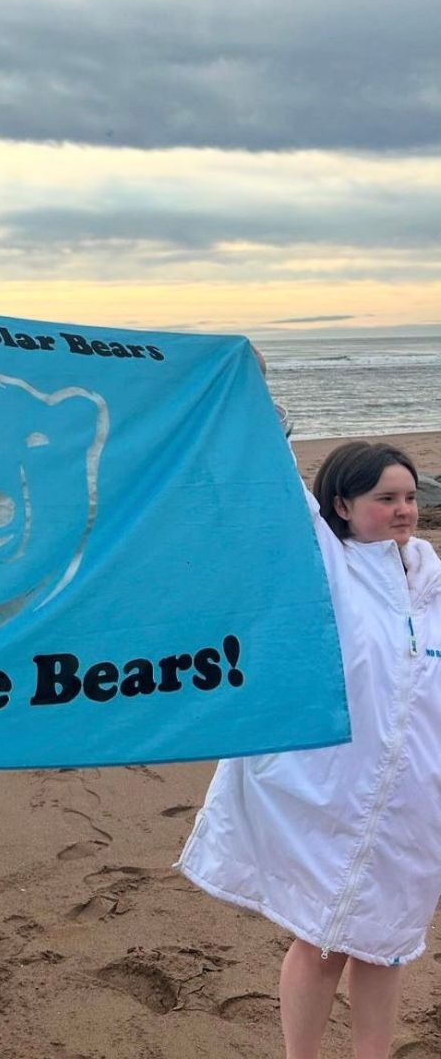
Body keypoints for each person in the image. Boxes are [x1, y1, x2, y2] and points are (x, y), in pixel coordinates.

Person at [176, 439, 441, 1059]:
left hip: (415, 799)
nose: (404, 510)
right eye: (385, 499)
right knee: (324, 939)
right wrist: (262, 409)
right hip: (331, 789)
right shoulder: (323, 565)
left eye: (410, 497)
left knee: (390, 942)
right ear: (343, 505)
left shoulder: (432, 588)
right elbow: (272, 486)